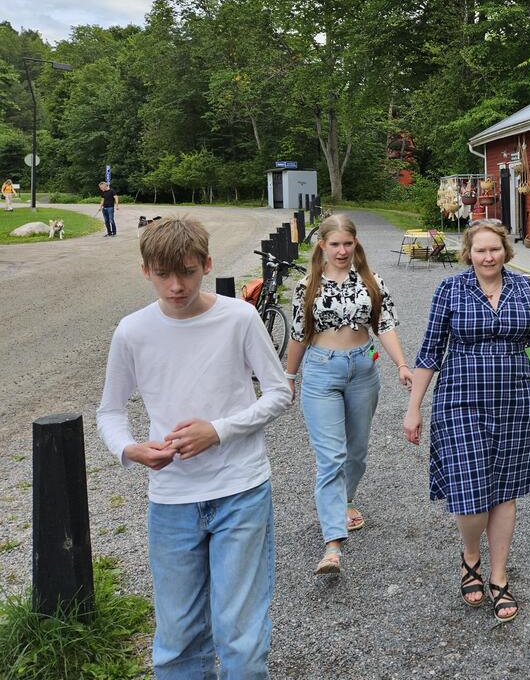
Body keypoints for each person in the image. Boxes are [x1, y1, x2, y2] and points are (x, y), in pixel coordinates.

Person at [96, 217, 291, 679]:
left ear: (207, 264)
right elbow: (110, 411)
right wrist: (130, 449)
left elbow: (280, 393)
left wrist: (218, 430)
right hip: (170, 500)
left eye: (186, 271)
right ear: (145, 271)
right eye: (163, 274)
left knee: (240, 639)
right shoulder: (131, 331)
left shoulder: (238, 317)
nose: (176, 285)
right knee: (178, 639)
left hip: (240, 491)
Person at [403, 220, 530, 623]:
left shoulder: (524, 289)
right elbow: (430, 350)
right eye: (481, 250)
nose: (488, 257)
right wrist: (414, 407)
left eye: (495, 250)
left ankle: (498, 576)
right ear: (469, 253)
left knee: (505, 491)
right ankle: (471, 555)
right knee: (470, 494)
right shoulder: (451, 289)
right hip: (460, 400)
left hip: (516, 400)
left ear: (505, 251)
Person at [285, 214, 412, 575]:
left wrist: (402, 364)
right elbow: (298, 334)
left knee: (356, 452)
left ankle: (345, 500)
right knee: (332, 456)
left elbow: (384, 325)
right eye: (335, 244)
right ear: (322, 245)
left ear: (356, 244)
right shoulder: (306, 285)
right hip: (322, 370)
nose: (342, 251)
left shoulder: (371, 281)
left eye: (348, 243)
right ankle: (332, 545)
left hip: (362, 368)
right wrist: (290, 377)